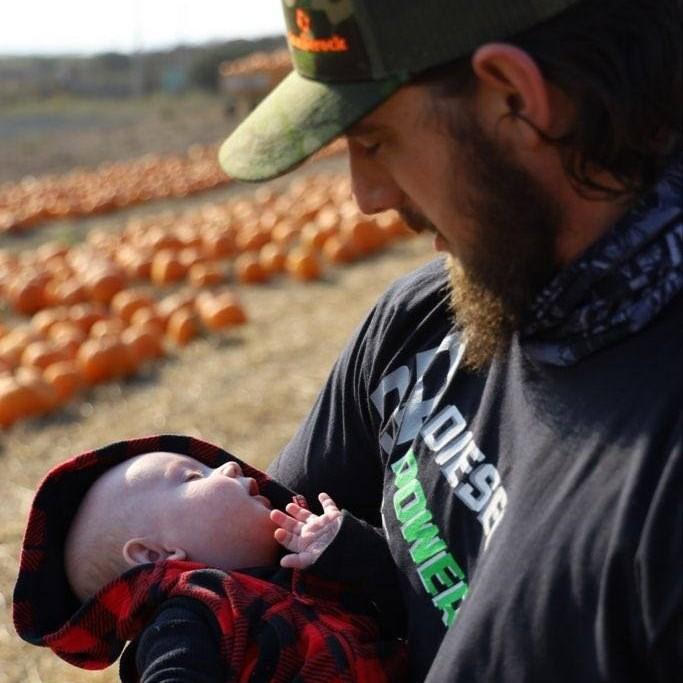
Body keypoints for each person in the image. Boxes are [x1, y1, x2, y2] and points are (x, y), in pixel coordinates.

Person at [218, 1, 683, 681]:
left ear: (515, 99)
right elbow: (251, 567)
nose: (365, 195)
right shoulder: (418, 322)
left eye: (374, 139)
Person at [13, 434, 406, 682]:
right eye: (193, 478)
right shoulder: (188, 618)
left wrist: (349, 548)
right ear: (156, 554)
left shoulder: (308, 574)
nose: (231, 465)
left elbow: (413, 605)